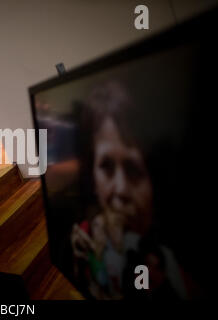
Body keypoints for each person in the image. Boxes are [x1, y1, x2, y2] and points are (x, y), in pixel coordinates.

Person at [70, 81, 188, 299]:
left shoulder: (164, 266)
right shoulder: (86, 236)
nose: (121, 189)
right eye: (106, 166)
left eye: (133, 169)